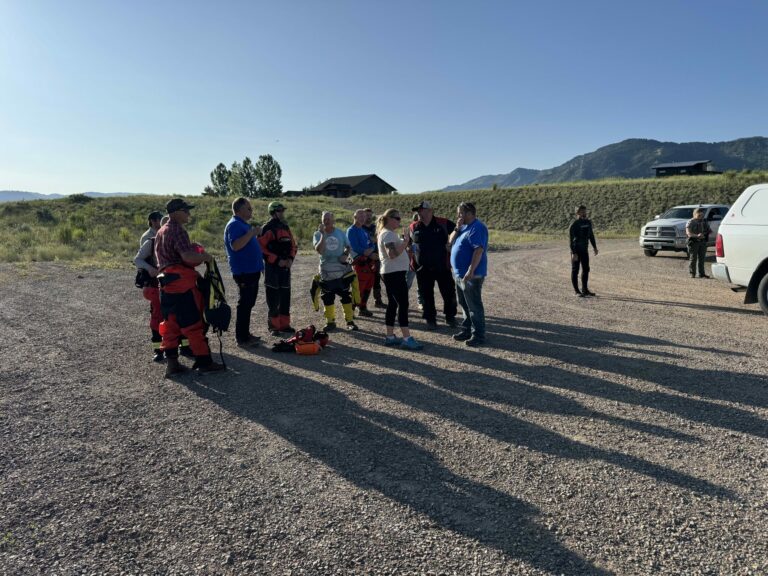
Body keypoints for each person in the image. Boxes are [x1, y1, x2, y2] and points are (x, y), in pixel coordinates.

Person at [154, 198, 225, 376]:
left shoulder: (161, 231)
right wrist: (205, 257)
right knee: (193, 324)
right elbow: (187, 257)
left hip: (165, 285)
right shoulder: (177, 230)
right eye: (186, 211)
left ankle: (172, 364)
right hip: (182, 285)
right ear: (177, 212)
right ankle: (204, 362)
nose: (188, 214)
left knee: (170, 325)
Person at [377, 209, 423, 350]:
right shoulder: (388, 234)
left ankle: (390, 336)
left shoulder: (387, 233)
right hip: (394, 273)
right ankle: (407, 338)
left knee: (393, 304)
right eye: (397, 218)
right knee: (403, 304)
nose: (399, 221)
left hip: (391, 272)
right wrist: (406, 242)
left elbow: (394, 252)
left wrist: (404, 244)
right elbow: (392, 254)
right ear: (390, 219)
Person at [409, 200, 458, 330]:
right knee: (426, 295)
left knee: (449, 293)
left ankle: (450, 317)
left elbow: (459, 232)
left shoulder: (443, 223)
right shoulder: (413, 227)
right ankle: (430, 319)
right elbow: (410, 245)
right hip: (423, 269)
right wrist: (412, 261)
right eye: (418, 211)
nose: (419, 213)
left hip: (442, 267)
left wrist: (451, 244)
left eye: (421, 210)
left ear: (430, 211)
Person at [224, 197, 264, 347]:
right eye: (249, 208)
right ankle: (242, 338)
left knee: (249, 303)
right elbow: (235, 245)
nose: (251, 211)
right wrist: (252, 233)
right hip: (244, 271)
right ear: (240, 209)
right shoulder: (234, 224)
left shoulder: (242, 224)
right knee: (245, 304)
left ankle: (245, 334)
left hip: (251, 270)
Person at [449, 202, 488, 347]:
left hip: (471, 274)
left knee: (474, 306)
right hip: (459, 274)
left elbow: (478, 250)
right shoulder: (463, 227)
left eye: (461, 213)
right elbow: (449, 241)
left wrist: (470, 270)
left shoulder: (478, 227)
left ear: (470, 213)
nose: (458, 216)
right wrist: (457, 228)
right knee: (464, 304)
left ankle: (478, 335)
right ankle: (466, 330)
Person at [313, 211, 357, 331]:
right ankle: (330, 322)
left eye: (328, 219)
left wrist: (345, 255)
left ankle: (350, 321)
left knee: (346, 295)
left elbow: (349, 247)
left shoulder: (340, 233)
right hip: (326, 271)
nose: (326, 221)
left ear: (333, 221)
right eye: (324, 219)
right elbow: (320, 250)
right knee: (327, 296)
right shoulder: (317, 234)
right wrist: (323, 235)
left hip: (342, 270)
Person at [259, 201, 297, 336]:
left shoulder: (285, 227)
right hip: (272, 269)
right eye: (280, 210)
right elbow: (260, 248)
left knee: (285, 297)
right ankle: (274, 327)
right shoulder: (267, 228)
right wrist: (276, 260)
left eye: (283, 210)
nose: (282, 213)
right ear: (273, 212)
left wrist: (290, 260)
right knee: (273, 298)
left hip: (285, 268)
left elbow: (293, 245)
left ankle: (284, 325)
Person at [134, 211, 165, 362]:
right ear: (153, 221)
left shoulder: (169, 236)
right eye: (160, 220)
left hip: (169, 283)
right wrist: (151, 269)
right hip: (155, 283)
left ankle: (179, 346)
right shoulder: (149, 238)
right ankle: (158, 350)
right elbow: (139, 259)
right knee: (157, 316)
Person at [346, 209, 378, 317]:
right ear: (354, 217)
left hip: (368, 262)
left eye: (364, 216)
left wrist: (371, 251)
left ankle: (362, 308)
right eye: (360, 216)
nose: (362, 218)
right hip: (359, 263)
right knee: (358, 287)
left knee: (368, 286)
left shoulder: (363, 231)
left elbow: (372, 244)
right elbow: (354, 246)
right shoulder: (351, 230)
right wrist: (367, 252)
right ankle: (350, 310)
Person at [569, 205, 598, 297]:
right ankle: (576, 291)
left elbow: (591, 235)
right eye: (582, 212)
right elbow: (571, 240)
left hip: (584, 250)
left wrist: (594, 247)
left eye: (585, 211)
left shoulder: (588, 222)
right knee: (575, 270)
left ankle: (585, 290)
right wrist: (573, 253)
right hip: (576, 250)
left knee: (586, 269)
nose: (584, 213)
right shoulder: (574, 224)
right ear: (577, 213)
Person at [363, 208, 386, 308]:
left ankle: (378, 301)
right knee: (364, 281)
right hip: (364, 258)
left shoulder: (375, 227)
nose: (368, 217)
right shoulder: (360, 228)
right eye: (366, 215)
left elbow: (380, 238)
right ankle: (362, 304)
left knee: (377, 280)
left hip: (377, 256)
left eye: (370, 215)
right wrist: (373, 239)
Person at [686, 208, 711, 279]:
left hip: (703, 242)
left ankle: (702, 274)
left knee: (702, 259)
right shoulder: (690, 222)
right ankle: (692, 273)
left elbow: (709, 230)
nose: (701, 217)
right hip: (693, 242)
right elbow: (688, 233)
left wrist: (705, 234)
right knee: (693, 258)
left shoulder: (704, 221)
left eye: (702, 215)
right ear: (694, 214)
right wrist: (697, 235)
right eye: (699, 215)